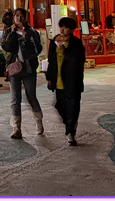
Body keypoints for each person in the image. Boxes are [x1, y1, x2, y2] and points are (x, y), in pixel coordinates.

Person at [2, 7, 44, 139]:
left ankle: (39, 122)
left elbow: (38, 50)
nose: (18, 19)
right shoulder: (9, 31)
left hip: (29, 69)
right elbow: (6, 47)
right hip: (14, 69)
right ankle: (16, 128)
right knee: (15, 99)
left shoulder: (32, 32)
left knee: (31, 96)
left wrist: (27, 39)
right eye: (16, 16)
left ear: (26, 18)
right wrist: (12, 34)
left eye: (21, 16)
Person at [46, 16, 86, 146]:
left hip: (73, 80)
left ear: (72, 29)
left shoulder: (76, 43)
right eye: (61, 26)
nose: (62, 30)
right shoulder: (55, 41)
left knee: (73, 107)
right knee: (60, 105)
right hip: (58, 80)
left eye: (66, 27)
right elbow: (51, 61)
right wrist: (49, 78)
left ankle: (70, 132)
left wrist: (65, 51)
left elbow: (78, 61)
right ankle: (70, 124)